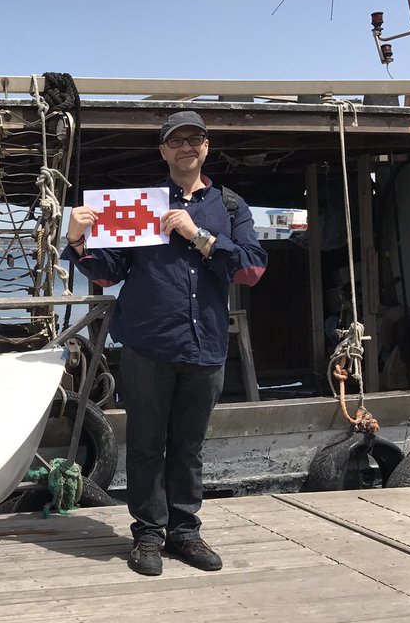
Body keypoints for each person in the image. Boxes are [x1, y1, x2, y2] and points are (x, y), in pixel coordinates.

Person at [62, 110, 267, 576]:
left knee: (189, 445)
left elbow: (252, 270)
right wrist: (76, 241)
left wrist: (200, 237)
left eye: (195, 139)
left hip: (206, 344)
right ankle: (148, 536)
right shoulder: (142, 204)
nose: (186, 147)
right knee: (147, 443)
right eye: (176, 141)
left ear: (207, 147)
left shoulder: (230, 206)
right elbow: (108, 270)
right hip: (149, 344)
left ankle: (185, 533)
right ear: (163, 152)